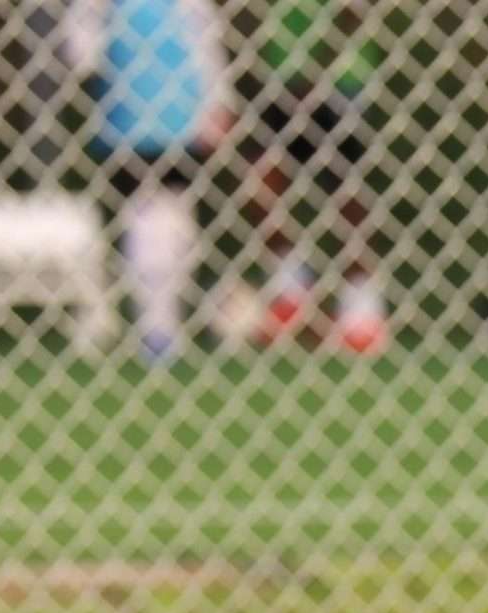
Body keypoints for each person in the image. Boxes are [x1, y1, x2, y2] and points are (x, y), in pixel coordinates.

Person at [62, 0, 228, 362]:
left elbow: (208, 46)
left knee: (177, 223)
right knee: (147, 220)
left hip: (182, 122)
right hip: (129, 124)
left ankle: (166, 321)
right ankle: (156, 327)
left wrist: (217, 105)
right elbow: (81, 55)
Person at [242, 0, 386, 352]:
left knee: (347, 193)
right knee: (261, 179)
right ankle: (291, 290)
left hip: (342, 79)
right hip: (281, 75)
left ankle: (361, 310)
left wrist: (318, 71)